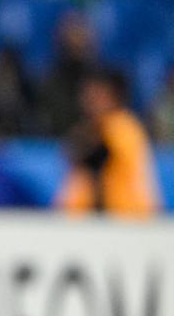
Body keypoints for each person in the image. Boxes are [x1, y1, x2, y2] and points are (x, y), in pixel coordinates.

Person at [57, 68, 163, 216]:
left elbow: (97, 157)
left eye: (98, 94)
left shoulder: (123, 127)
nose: (90, 100)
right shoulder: (91, 128)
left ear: (115, 97)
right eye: (87, 94)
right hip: (93, 219)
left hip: (128, 217)